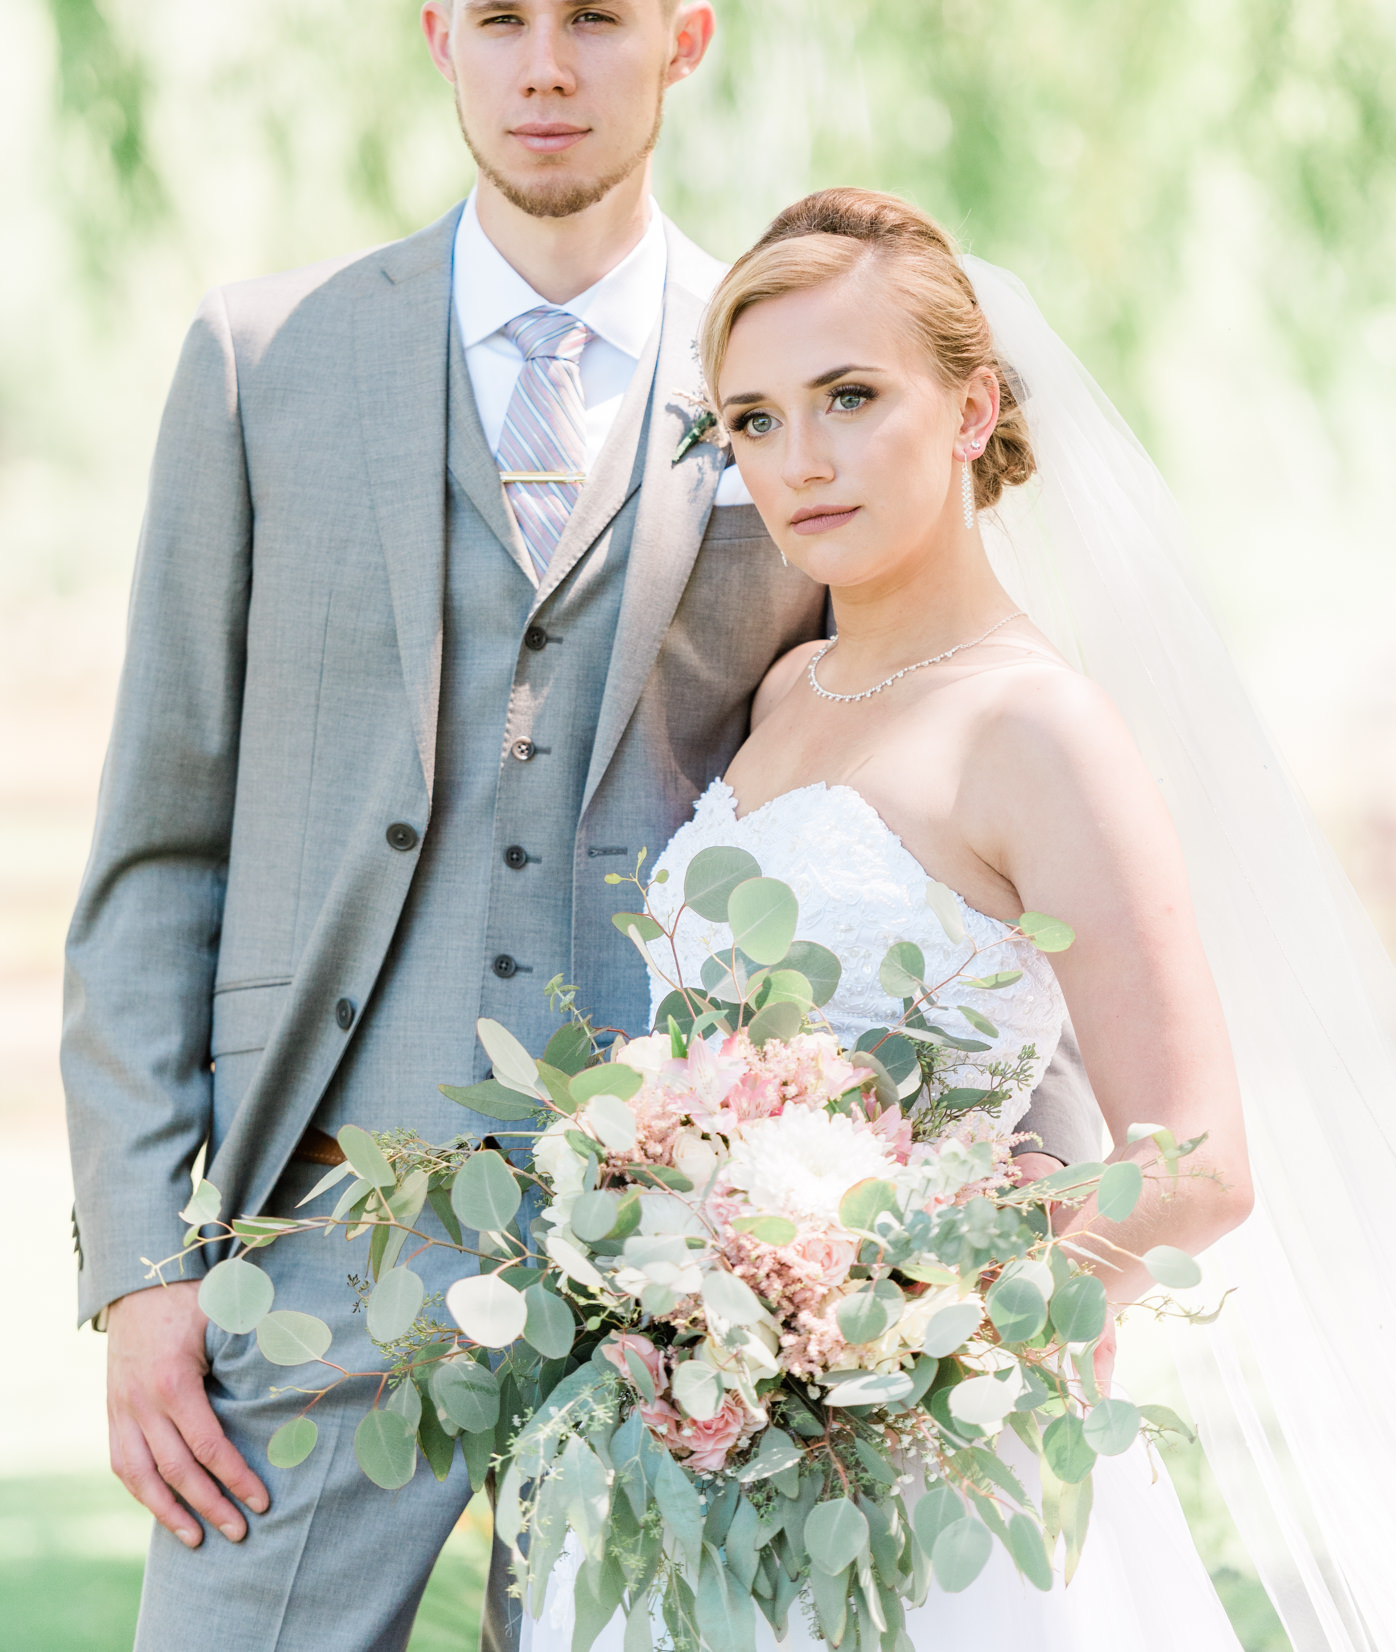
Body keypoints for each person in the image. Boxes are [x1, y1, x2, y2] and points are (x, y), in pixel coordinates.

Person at [60, 0, 1090, 1652]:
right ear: (440, 35)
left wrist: (988, 1234)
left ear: (680, 42)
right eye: (506, 19)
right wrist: (143, 1276)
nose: (549, 67)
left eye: (599, 18)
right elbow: (157, 852)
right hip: (314, 1253)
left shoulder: (785, 373)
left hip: (698, 1282)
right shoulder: (259, 363)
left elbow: (929, 746)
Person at [523, 186, 1255, 1652]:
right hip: (707, 1465)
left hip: (934, 1478)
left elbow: (1198, 1165)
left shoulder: (1035, 730)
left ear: (974, 410)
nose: (801, 461)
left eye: (849, 398)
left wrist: (878, 1282)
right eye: (753, 420)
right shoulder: (786, 691)